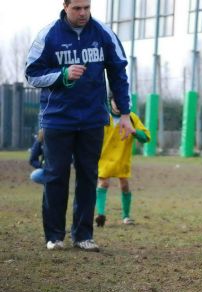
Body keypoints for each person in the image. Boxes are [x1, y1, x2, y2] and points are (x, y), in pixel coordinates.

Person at [25, 0, 134, 251]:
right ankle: (54, 236)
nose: (83, 13)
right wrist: (62, 74)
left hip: (93, 119)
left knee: (88, 176)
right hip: (58, 119)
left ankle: (83, 235)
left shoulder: (103, 33)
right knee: (56, 176)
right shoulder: (48, 35)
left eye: (87, 7)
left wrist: (125, 114)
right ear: (65, 6)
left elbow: (119, 74)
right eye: (77, 8)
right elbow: (32, 74)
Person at [95, 94, 150, 227]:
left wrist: (134, 131)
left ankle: (126, 216)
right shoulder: (102, 116)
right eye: (116, 101)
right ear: (110, 101)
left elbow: (146, 137)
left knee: (124, 185)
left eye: (122, 101)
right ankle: (100, 215)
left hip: (122, 158)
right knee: (103, 183)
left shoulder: (131, 117)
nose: (118, 104)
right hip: (104, 157)